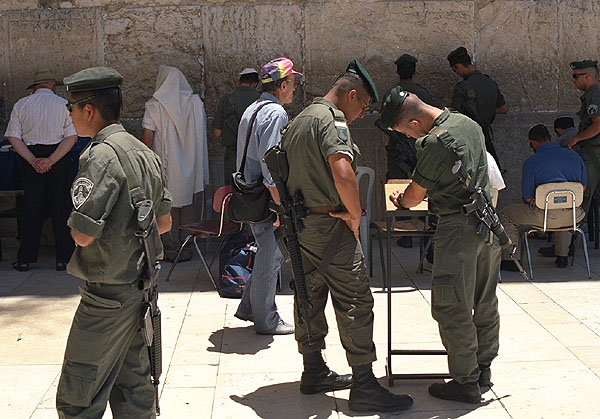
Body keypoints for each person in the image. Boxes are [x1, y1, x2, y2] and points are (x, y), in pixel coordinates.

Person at [281, 60, 413, 412]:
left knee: (308, 295)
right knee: (355, 300)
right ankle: (365, 385)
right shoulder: (331, 120)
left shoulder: (299, 120)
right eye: (364, 105)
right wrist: (355, 214)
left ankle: (313, 369)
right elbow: (342, 171)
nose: (361, 113)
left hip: (301, 225)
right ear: (351, 94)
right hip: (331, 226)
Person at [56, 67, 172, 418]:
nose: (70, 115)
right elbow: (164, 223)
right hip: (139, 290)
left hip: (106, 297)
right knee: (134, 392)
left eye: (70, 107)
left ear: (89, 109)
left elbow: (83, 234)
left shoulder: (100, 156)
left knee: (78, 395)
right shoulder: (144, 153)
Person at [381, 86, 500, 404]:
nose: (408, 137)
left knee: (451, 304)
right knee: (484, 300)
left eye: (405, 132)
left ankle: (465, 382)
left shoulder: (433, 142)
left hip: (458, 229)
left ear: (414, 123)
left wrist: (402, 200)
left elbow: (414, 196)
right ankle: (482, 368)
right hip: (487, 223)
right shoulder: (467, 123)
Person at [233, 57, 301, 335]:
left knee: (266, 251)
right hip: (265, 196)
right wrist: (279, 205)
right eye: (292, 83)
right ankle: (266, 319)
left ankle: (250, 307)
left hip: (249, 193)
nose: (294, 89)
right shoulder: (275, 114)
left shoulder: (253, 108)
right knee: (271, 255)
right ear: (282, 85)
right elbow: (271, 164)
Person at [5, 68, 77, 272]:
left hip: (31, 159)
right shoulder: (64, 105)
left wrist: (33, 160)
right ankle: (64, 258)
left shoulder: (21, 104)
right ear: (52, 85)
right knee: (60, 207)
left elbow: (13, 136)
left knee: (32, 207)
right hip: (59, 157)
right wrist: (51, 160)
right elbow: (71, 137)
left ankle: (25, 259)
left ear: (35, 86)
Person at [140, 65, 209, 262]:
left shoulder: (154, 106)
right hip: (192, 164)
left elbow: (147, 138)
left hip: (166, 166)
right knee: (188, 206)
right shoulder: (195, 103)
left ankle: (171, 250)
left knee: (166, 207)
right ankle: (187, 247)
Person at [500, 124, 586, 270]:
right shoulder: (575, 157)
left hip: (544, 216)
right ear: (550, 138)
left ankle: (511, 260)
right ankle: (562, 256)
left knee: (505, 215)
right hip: (573, 215)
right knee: (566, 204)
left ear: (532, 142)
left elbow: (527, 198)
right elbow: (583, 188)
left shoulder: (531, 162)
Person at [447, 46, 508, 170]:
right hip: (486, 137)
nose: (457, 73)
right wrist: (488, 109)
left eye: (455, 70)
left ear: (458, 66)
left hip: (468, 139)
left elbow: (454, 114)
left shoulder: (463, 86)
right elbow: (504, 109)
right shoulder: (490, 83)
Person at [213, 68, 260, 182]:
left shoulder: (226, 101)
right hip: (256, 157)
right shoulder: (262, 101)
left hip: (233, 157)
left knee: (232, 188)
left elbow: (217, 132)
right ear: (255, 84)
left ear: (238, 83)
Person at [567, 60, 600, 217]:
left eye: (576, 76)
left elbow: (598, 124)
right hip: (592, 153)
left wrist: (577, 138)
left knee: (582, 197)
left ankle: (574, 232)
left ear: (587, 76)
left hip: (593, 154)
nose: (573, 80)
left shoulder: (594, 95)